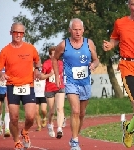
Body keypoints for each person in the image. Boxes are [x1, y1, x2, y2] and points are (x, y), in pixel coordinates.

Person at [52, 18, 99, 150]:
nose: (77, 32)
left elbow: (96, 60)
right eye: (75, 29)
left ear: (83, 30)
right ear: (70, 30)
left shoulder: (89, 43)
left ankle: (74, 137)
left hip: (85, 82)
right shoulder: (63, 45)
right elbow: (55, 59)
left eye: (79, 29)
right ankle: (75, 143)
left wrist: (93, 65)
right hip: (71, 82)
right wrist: (57, 76)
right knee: (75, 110)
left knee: (82, 113)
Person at [0, 22, 41, 150]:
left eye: (21, 33)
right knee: (14, 117)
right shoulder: (5, 50)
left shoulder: (30, 48)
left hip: (28, 85)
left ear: (24, 34)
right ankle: (16, 141)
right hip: (12, 86)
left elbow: (37, 61)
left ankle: (25, 131)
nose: (18, 35)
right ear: (11, 33)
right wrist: (0, 74)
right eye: (15, 32)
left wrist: (37, 69)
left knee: (31, 116)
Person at [102, 0, 134, 148]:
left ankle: (128, 128)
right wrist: (110, 45)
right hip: (128, 66)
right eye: (133, 4)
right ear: (128, 5)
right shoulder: (120, 23)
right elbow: (115, 39)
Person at [41, 46, 65, 139]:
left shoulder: (61, 63)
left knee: (60, 108)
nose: (55, 56)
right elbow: (41, 77)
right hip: (49, 89)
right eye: (53, 54)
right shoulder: (46, 64)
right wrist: (49, 74)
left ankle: (59, 129)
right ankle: (50, 125)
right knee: (51, 111)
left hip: (60, 87)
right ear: (50, 55)